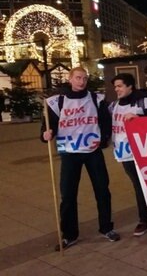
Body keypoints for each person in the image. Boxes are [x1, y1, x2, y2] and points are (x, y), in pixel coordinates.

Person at [41, 67, 120, 251]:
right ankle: (69, 234)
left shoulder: (96, 99)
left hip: (92, 151)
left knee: (102, 189)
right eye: (78, 78)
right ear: (70, 79)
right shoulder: (56, 102)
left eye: (84, 78)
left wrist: (103, 140)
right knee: (68, 194)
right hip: (69, 152)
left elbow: (105, 121)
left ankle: (106, 227)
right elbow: (47, 125)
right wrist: (47, 133)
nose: (81, 81)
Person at [109, 73, 147, 238]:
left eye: (120, 86)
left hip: (144, 152)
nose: (117, 89)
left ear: (130, 86)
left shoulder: (144, 101)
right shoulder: (114, 105)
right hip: (125, 153)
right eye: (115, 87)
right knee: (137, 186)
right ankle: (144, 220)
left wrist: (138, 118)